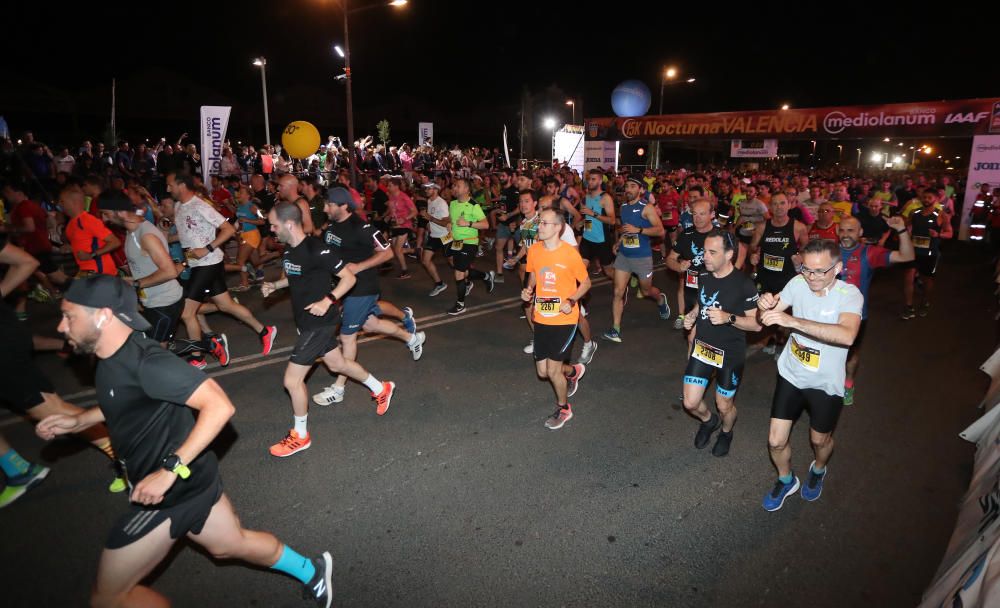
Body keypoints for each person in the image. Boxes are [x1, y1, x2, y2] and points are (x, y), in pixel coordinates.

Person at [40, 275, 333, 607]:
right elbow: (123, 399)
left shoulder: (148, 362)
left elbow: (220, 406)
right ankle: (313, 570)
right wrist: (79, 419)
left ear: (103, 315)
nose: (62, 327)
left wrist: (168, 471)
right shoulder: (110, 358)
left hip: (170, 490)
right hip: (193, 480)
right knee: (229, 545)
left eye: (70, 316)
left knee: (109, 597)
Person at [261, 203, 397, 456]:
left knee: (292, 381)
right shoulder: (289, 251)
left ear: (289, 224)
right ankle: (382, 388)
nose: (271, 229)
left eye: (274, 225)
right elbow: (296, 277)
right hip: (307, 322)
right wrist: (276, 285)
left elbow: (349, 278)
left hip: (320, 323)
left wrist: (328, 300)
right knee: (338, 365)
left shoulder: (316, 248)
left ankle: (300, 435)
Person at [757, 240, 863, 511]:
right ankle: (786, 479)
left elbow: (847, 334)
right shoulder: (797, 283)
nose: (811, 277)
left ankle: (818, 469)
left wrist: (793, 322)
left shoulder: (849, 295)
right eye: (806, 269)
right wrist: (765, 304)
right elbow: (767, 316)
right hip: (791, 374)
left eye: (820, 271)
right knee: (775, 440)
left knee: (820, 440)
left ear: (838, 268)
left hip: (825, 384)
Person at [309, 188, 425, 407]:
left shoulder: (361, 227)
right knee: (371, 324)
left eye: (330, 205)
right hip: (345, 287)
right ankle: (413, 339)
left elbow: (388, 252)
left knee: (347, 337)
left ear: (343, 206)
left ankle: (339, 389)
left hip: (363, 287)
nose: (325, 208)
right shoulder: (332, 225)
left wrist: (359, 266)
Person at [168, 172, 278, 368]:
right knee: (226, 305)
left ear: (181, 185)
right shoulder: (178, 206)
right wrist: (164, 240)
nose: (168, 189)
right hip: (199, 264)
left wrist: (207, 248)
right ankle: (265, 331)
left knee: (186, 313)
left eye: (170, 185)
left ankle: (197, 357)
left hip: (207, 263)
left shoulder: (200, 205)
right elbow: (188, 235)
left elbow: (228, 229)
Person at [680, 230, 761, 457]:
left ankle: (726, 431)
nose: (705, 256)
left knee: (724, 405)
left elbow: (757, 325)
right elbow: (702, 303)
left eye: (712, 252)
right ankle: (709, 421)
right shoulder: (704, 276)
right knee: (690, 402)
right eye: (705, 251)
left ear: (729, 255)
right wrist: (693, 315)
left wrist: (729, 318)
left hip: (730, 353)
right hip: (704, 348)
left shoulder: (744, 284)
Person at [521, 209, 590, 430]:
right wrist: (529, 289)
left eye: (544, 223)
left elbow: (586, 283)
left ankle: (564, 408)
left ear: (558, 227)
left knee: (552, 371)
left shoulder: (569, 253)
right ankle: (573, 371)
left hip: (564, 318)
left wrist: (571, 301)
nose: (539, 226)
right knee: (543, 372)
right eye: (539, 222)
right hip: (542, 316)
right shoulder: (534, 250)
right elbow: (533, 273)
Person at [837, 215, 913, 405]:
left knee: (850, 355)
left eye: (851, 230)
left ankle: (848, 384)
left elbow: (907, 256)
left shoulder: (869, 253)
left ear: (860, 233)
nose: (845, 235)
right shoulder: (829, 251)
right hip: (827, 314)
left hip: (855, 317)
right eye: (842, 230)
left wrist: (901, 230)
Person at [99, 191, 185, 347]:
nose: (104, 219)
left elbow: (170, 271)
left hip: (164, 303)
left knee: (155, 352)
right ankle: (207, 345)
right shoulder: (132, 229)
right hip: (151, 301)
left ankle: (209, 345)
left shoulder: (146, 236)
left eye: (106, 213)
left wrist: (137, 284)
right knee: (157, 349)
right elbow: (139, 212)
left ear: (120, 212)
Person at [602, 177, 670, 343]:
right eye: (627, 186)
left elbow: (660, 231)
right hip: (624, 256)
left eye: (633, 186)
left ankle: (660, 299)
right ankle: (615, 329)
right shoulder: (624, 207)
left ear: (641, 190)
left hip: (642, 257)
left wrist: (639, 230)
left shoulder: (647, 208)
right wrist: (619, 242)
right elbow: (626, 230)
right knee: (618, 292)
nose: (628, 189)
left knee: (646, 291)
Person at [446, 177, 497, 315]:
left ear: (467, 189)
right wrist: (450, 224)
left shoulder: (474, 205)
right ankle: (486, 276)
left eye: (458, 186)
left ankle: (460, 304)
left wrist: (468, 223)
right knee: (464, 271)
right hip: (456, 242)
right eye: (454, 185)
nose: (455, 188)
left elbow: (486, 224)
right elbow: (451, 220)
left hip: (469, 242)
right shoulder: (453, 204)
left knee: (459, 273)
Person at [901, 189, 952, 319]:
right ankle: (909, 307)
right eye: (924, 197)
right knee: (908, 277)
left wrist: (938, 234)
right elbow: (906, 226)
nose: (926, 200)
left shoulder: (941, 215)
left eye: (929, 197)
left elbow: (950, 233)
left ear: (935, 199)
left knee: (926, 280)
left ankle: (925, 301)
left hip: (929, 253)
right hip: (913, 252)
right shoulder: (914, 213)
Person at [61, 186, 122, 276]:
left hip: (102, 274)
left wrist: (92, 255)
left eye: (63, 201)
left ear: (74, 202)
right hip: (86, 273)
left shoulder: (88, 220)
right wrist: (70, 248)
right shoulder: (71, 224)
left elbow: (115, 242)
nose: (60, 204)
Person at [417, 182, 450, 296]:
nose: (426, 191)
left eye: (428, 189)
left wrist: (430, 218)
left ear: (435, 189)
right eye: (425, 189)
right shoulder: (429, 201)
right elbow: (432, 218)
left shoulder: (442, 203)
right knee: (425, 260)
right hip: (434, 236)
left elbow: (447, 222)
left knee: (454, 263)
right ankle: (439, 283)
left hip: (446, 236)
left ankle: (468, 280)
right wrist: (428, 224)